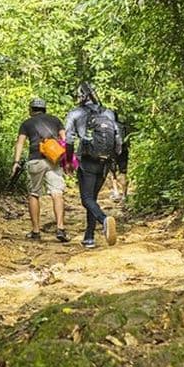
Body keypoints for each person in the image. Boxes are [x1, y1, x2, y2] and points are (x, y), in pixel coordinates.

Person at [64, 83, 120, 248]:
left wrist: (68, 160)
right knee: (92, 198)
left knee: (86, 198)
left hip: (87, 160)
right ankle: (89, 237)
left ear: (81, 96)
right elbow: (118, 141)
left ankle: (104, 220)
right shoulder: (108, 113)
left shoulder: (75, 113)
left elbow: (69, 139)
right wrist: (112, 161)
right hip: (105, 161)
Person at [11, 98, 68, 242]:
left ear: (31, 110)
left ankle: (36, 231)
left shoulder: (27, 123)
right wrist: (67, 160)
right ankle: (60, 228)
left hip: (35, 160)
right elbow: (65, 139)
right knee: (57, 193)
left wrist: (16, 162)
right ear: (44, 109)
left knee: (34, 194)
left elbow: (20, 143)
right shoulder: (55, 120)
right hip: (53, 160)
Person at [109, 111, 130, 204]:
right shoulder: (123, 126)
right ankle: (125, 195)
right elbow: (128, 141)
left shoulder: (108, 127)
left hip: (112, 152)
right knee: (123, 172)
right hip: (124, 151)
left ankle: (116, 192)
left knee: (112, 172)